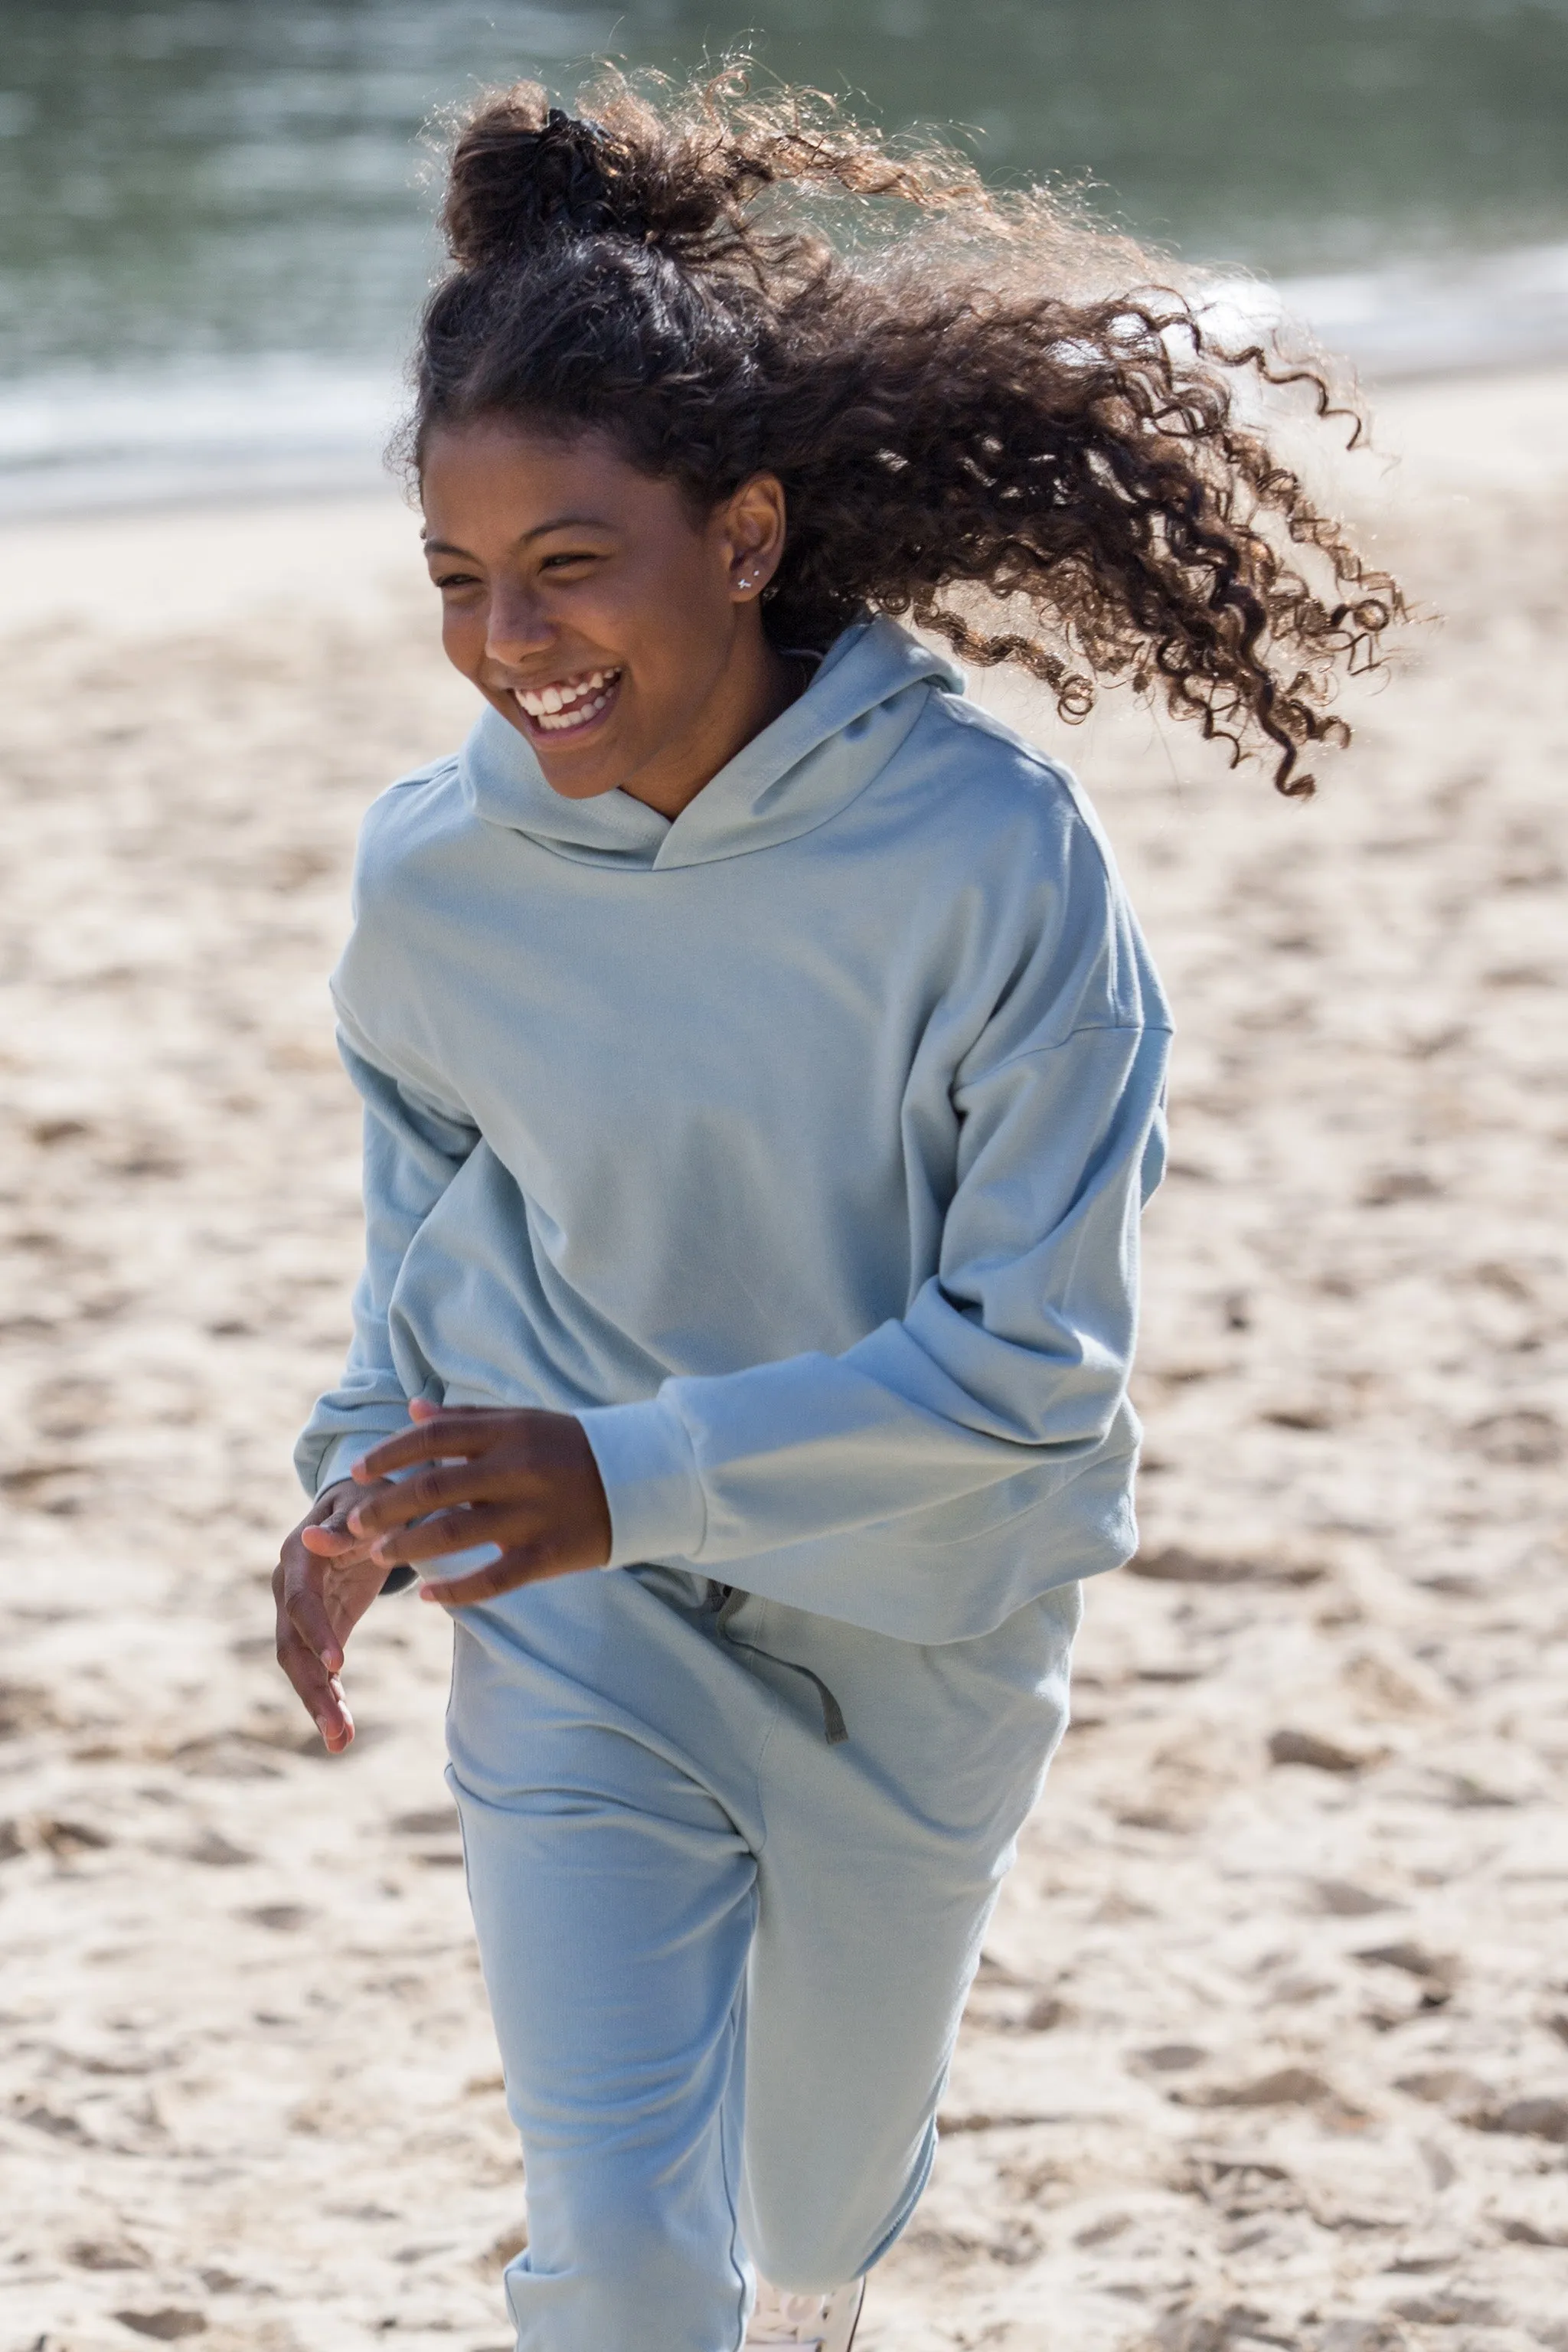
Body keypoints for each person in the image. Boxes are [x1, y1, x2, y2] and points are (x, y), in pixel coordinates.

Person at [272, 68, 1400, 2352]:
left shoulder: (995, 865)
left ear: (754, 534)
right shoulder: (436, 881)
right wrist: (360, 1479)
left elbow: (1032, 1364)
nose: (511, 641)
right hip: (586, 1624)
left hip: (921, 1627)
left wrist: (627, 1469)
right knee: (617, 2254)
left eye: (571, 566)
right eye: (460, 582)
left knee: (810, 2207)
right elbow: (430, 1229)